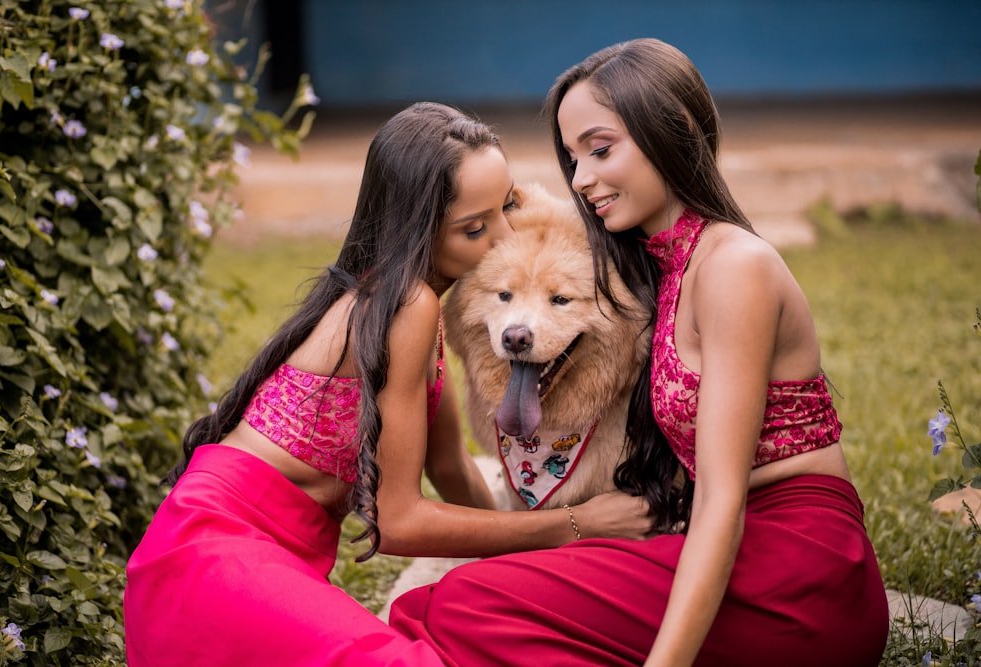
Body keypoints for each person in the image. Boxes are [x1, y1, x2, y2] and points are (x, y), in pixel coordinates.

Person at [389, 40, 890, 666]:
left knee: (457, 608)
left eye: (601, 151)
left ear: (673, 131)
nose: (582, 180)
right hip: (738, 551)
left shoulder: (734, 266)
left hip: (796, 568)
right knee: (450, 608)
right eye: (572, 159)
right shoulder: (652, 263)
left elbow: (721, 501)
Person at [123, 102, 654, 667]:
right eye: (476, 228)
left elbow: (450, 468)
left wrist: (522, 563)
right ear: (421, 229)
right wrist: (575, 524)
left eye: (506, 209)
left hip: (222, 556)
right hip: (213, 561)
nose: (502, 238)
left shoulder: (395, 299)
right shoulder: (408, 304)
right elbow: (399, 522)